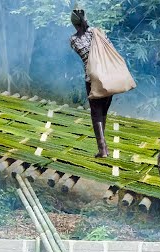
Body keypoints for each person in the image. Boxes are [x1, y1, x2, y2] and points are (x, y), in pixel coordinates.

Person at [69, 8, 111, 158]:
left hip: (92, 79)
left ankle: (102, 149)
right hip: (108, 76)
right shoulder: (97, 32)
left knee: (96, 113)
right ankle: (103, 147)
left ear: (74, 24)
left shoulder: (74, 40)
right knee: (103, 111)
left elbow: (83, 53)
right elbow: (109, 47)